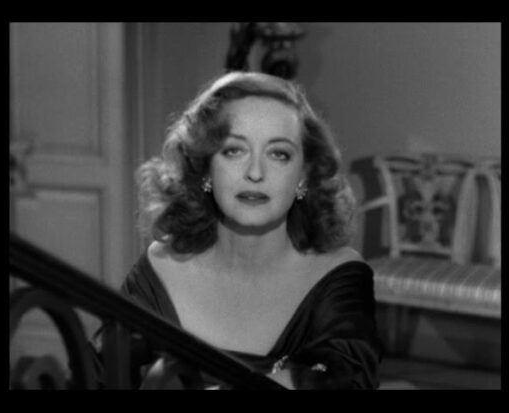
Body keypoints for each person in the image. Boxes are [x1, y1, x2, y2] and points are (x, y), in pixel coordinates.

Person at [94, 71, 382, 389]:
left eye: (279, 154)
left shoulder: (338, 276)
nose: (255, 173)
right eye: (233, 151)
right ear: (205, 167)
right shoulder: (159, 270)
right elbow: (100, 376)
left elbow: (345, 380)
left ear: (304, 175)